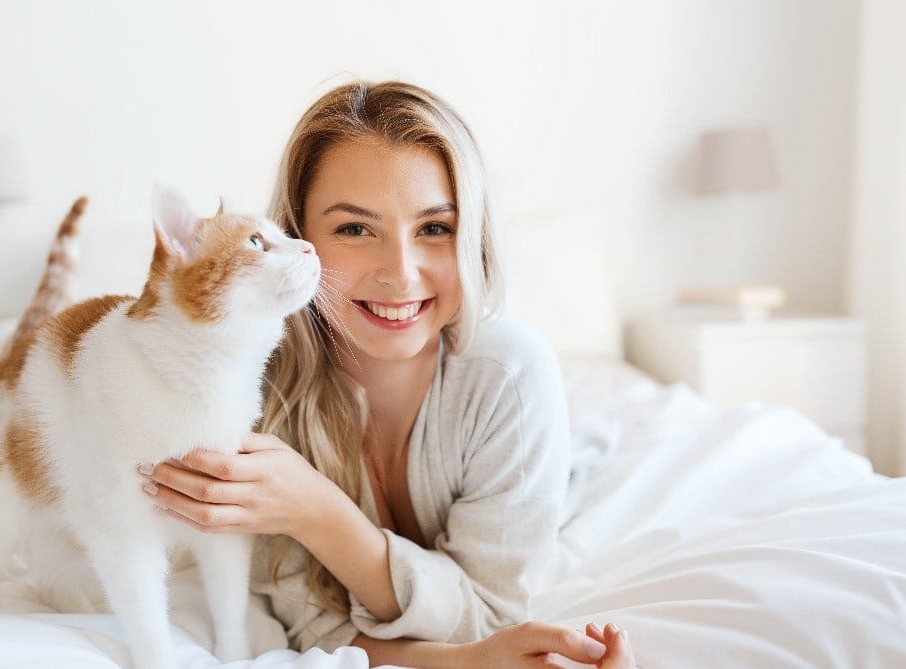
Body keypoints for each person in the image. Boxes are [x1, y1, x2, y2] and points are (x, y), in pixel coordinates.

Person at [140, 80, 637, 668]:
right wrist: (467, 662)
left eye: (435, 228)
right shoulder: (257, 395)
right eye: (354, 229)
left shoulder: (511, 376)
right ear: (296, 239)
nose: (400, 275)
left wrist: (317, 511)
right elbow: (315, 629)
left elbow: (491, 615)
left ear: (472, 238)